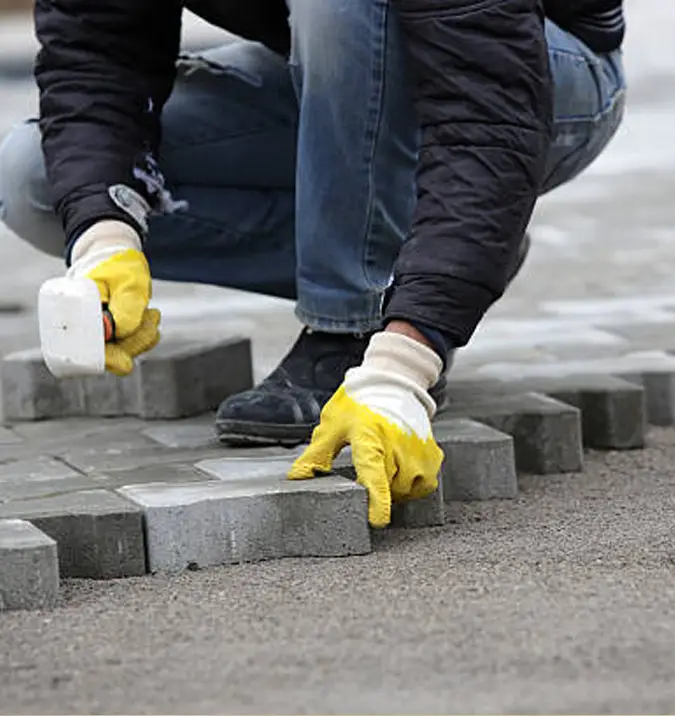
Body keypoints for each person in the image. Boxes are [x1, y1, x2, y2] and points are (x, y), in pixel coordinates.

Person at [0, 0, 626, 527]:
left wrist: (408, 356)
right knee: (33, 178)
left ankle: (356, 318)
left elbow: (487, 117)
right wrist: (104, 239)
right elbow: (94, 56)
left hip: (539, 79)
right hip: (344, 61)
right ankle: (433, 248)